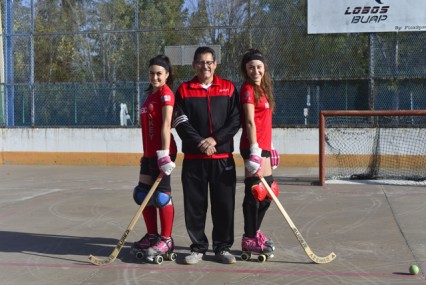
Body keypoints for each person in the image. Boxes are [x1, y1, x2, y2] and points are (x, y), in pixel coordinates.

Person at [172, 46, 241, 264]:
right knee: (195, 206)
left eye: (209, 62)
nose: (205, 66)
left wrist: (214, 140)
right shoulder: (184, 90)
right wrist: (200, 143)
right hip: (194, 160)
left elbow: (235, 120)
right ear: (194, 65)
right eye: (201, 62)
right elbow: (180, 121)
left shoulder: (228, 88)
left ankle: (222, 248)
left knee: (224, 206)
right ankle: (198, 248)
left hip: (222, 159)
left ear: (215, 64)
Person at [131, 55, 177, 260]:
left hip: (163, 153)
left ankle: (166, 239)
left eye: (159, 73)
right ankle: (151, 236)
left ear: (167, 74)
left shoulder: (166, 95)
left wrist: (164, 155)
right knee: (143, 194)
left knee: (161, 197)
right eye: (152, 73)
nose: (155, 77)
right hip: (149, 154)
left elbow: (167, 124)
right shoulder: (149, 95)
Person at [239, 48, 280, 257]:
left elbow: (265, 122)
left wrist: (271, 146)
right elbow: (249, 121)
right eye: (251, 67)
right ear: (246, 70)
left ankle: (254, 231)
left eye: (259, 67)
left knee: (270, 191)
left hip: (263, 146)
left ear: (264, 68)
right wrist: (255, 150)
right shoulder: (247, 89)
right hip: (252, 146)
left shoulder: (264, 89)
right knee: (255, 192)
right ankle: (249, 238)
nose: (255, 70)